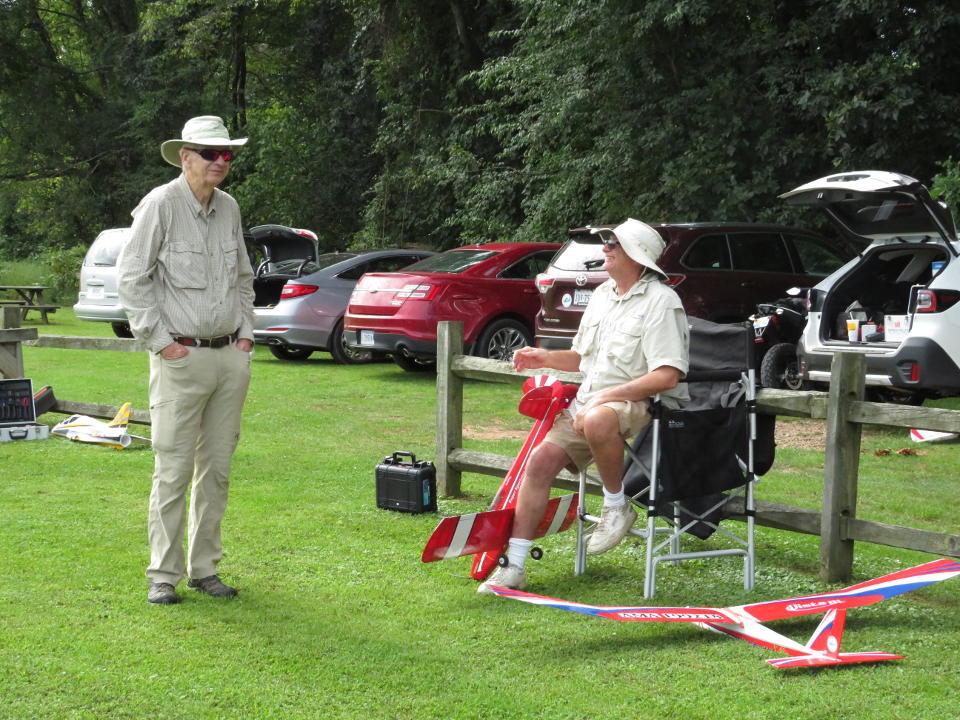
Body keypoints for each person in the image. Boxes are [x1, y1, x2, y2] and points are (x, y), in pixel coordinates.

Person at [478, 219, 689, 593]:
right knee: (539, 462)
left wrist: (608, 397)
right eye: (606, 242)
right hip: (592, 402)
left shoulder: (662, 301)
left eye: (613, 244)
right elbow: (580, 358)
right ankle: (515, 567)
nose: (605, 249)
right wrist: (541, 357)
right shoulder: (603, 294)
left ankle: (616, 506)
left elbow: (668, 376)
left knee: (595, 418)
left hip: (637, 401)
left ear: (636, 255)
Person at [118, 116, 255, 605]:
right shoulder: (160, 204)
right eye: (209, 153)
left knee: (216, 469)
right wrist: (160, 343)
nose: (220, 162)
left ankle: (204, 570)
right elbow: (132, 278)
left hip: (229, 357)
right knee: (172, 468)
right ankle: (162, 575)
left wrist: (245, 336)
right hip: (180, 357)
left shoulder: (230, 208)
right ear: (185, 156)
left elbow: (243, 276)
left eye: (227, 154)